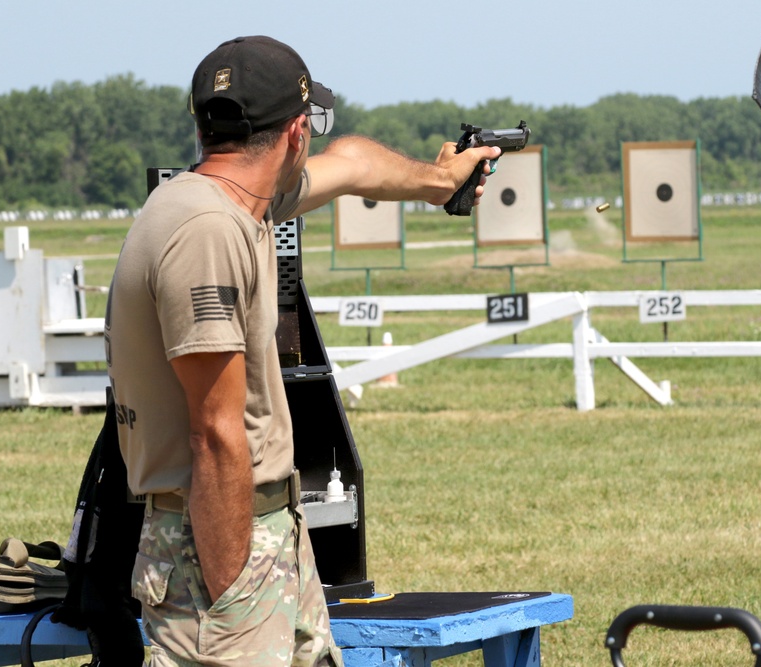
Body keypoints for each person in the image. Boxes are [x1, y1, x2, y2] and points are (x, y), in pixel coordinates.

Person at [104, 35, 501, 667]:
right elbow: (215, 433)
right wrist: (233, 598)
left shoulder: (233, 200)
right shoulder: (207, 230)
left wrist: (438, 180)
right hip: (218, 547)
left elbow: (354, 165)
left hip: (258, 531)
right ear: (296, 132)